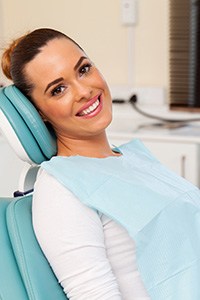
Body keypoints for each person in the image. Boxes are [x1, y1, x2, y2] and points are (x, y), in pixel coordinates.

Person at [1, 28, 200, 300]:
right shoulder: (61, 189)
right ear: (38, 114)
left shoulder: (132, 158)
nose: (84, 91)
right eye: (58, 89)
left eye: (83, 70)